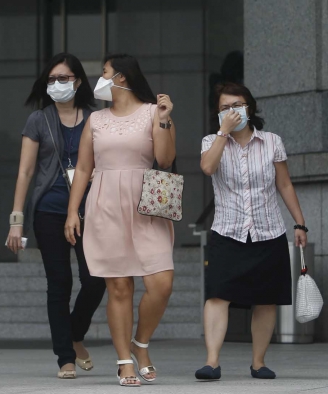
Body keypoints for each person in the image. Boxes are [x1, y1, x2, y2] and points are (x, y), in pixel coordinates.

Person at [65, 53, 176, 387]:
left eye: (104, 73)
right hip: (105, 204)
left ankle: (140, 344)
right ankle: (124, 360)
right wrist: (73, 211)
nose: (100, 79)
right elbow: (83, 168)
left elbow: (165, 159)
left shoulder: (153, 112)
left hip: (145, 204)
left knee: (161, 282)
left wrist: (166, 120)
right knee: (118, 286)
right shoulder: (96, 120)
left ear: (122, 78)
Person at [196, 82, 308, 380]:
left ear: (250, 108)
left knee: (266, 298)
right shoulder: (211, 141)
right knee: (218, 295)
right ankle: (212, 361)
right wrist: (223, 133)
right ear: (217, 113)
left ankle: (258, 362)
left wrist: (299, 222)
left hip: (268, 230)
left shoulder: (271, 141)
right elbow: (207, 168)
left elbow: (284, 184)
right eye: (224, 107)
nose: (231, 112)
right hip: (227, 230)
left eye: (237, 105)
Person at [6, 53, 107, 379]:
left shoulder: (97, 117)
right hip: (49, 210)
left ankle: (75, 333)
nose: (57, 84)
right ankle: (65, 355)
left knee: (95, 280)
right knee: (59, 283)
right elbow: (25, 171)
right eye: (51, 80)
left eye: (63, 78)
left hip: (89, 209)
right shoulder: (38, 119)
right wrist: (16, 218)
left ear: (77, 81)